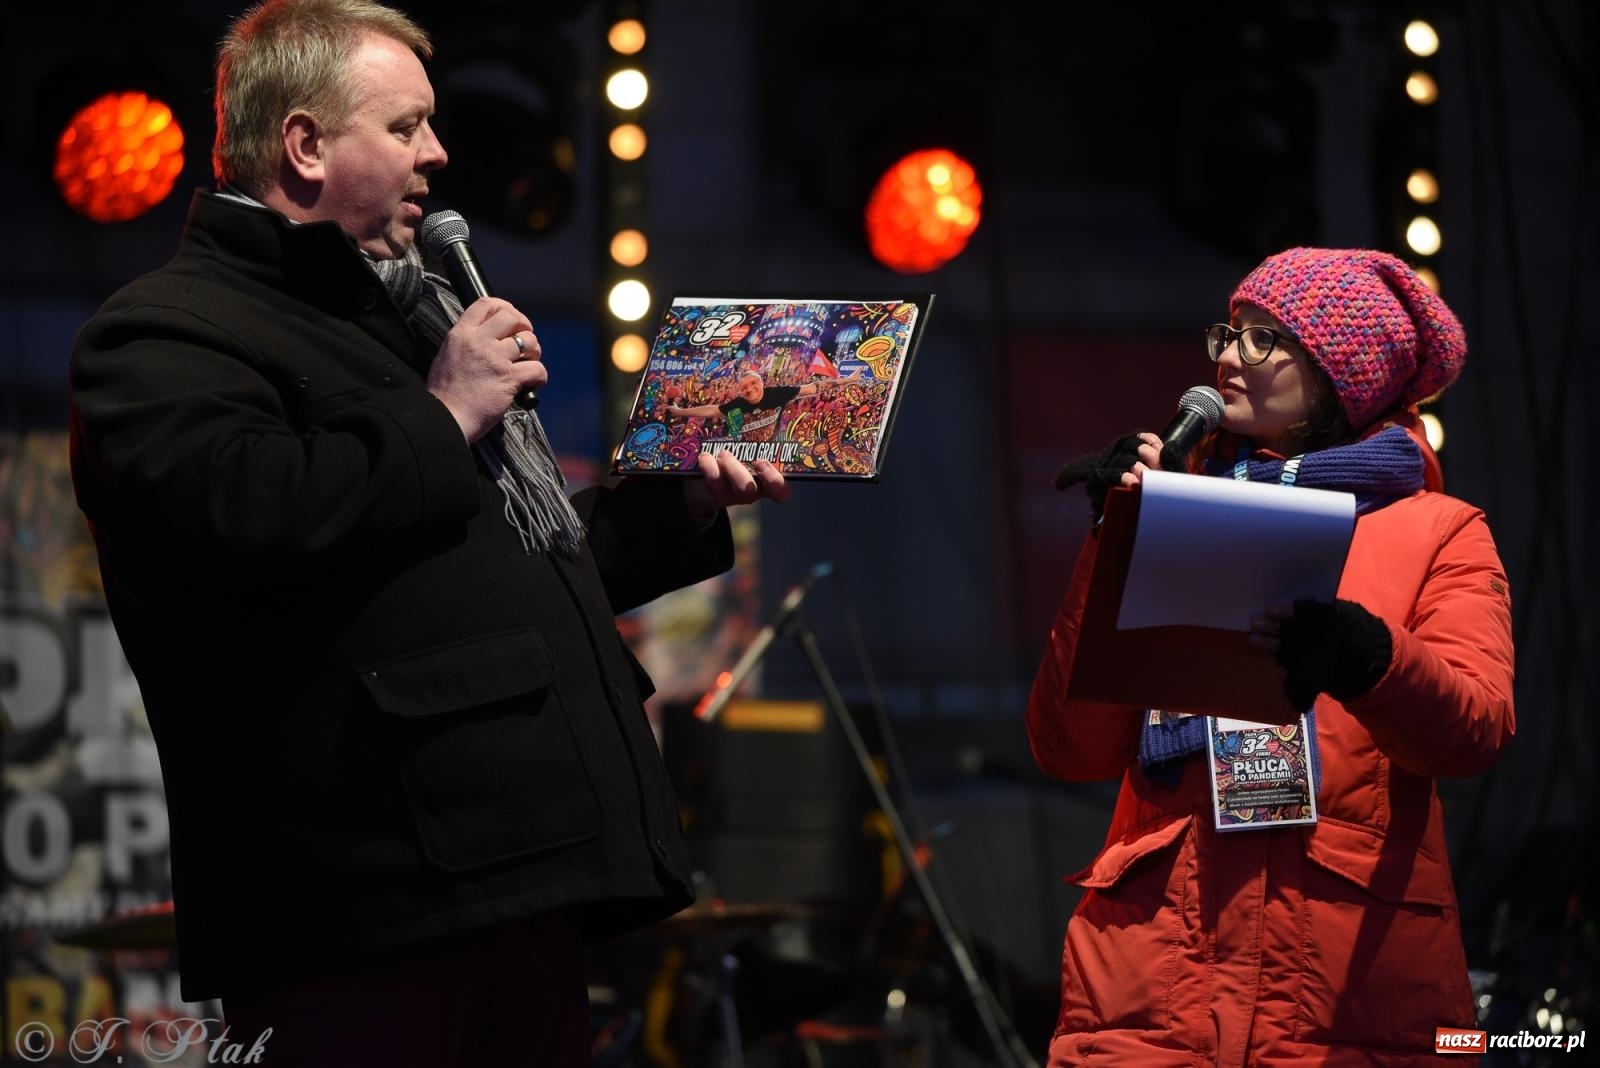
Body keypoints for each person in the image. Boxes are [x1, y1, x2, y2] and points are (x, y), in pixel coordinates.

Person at [67, 1, 788, 1063]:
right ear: (304, 145)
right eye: (405, 126)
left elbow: (495, 573)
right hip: (360, 906)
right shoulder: (163, 332)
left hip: (517, 883)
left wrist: (679, 501)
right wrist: (444, 411)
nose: (438, 153)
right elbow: (248, 515)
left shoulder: (404, 319)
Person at [1029, 248, 1515, 1066]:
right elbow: (1068, 749)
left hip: (1345, 1001)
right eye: (1228, 333)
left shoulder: (1440, 530)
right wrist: (1113, 540)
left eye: (1263, 339)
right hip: (1151, 1006)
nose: (1227, 356)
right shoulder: (1174, 507)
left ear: (1341, 374)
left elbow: (1473, 732)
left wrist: (1369, 659)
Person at [663, 368, 862, 439]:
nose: (750, 389)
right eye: (744, 387)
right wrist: (679, 412)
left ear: (762, 383)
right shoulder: (738, 404)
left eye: (753, 383)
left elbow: (814, 388)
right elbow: (711, 410)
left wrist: (848, 380)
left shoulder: (778, 394)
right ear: (739, 391)